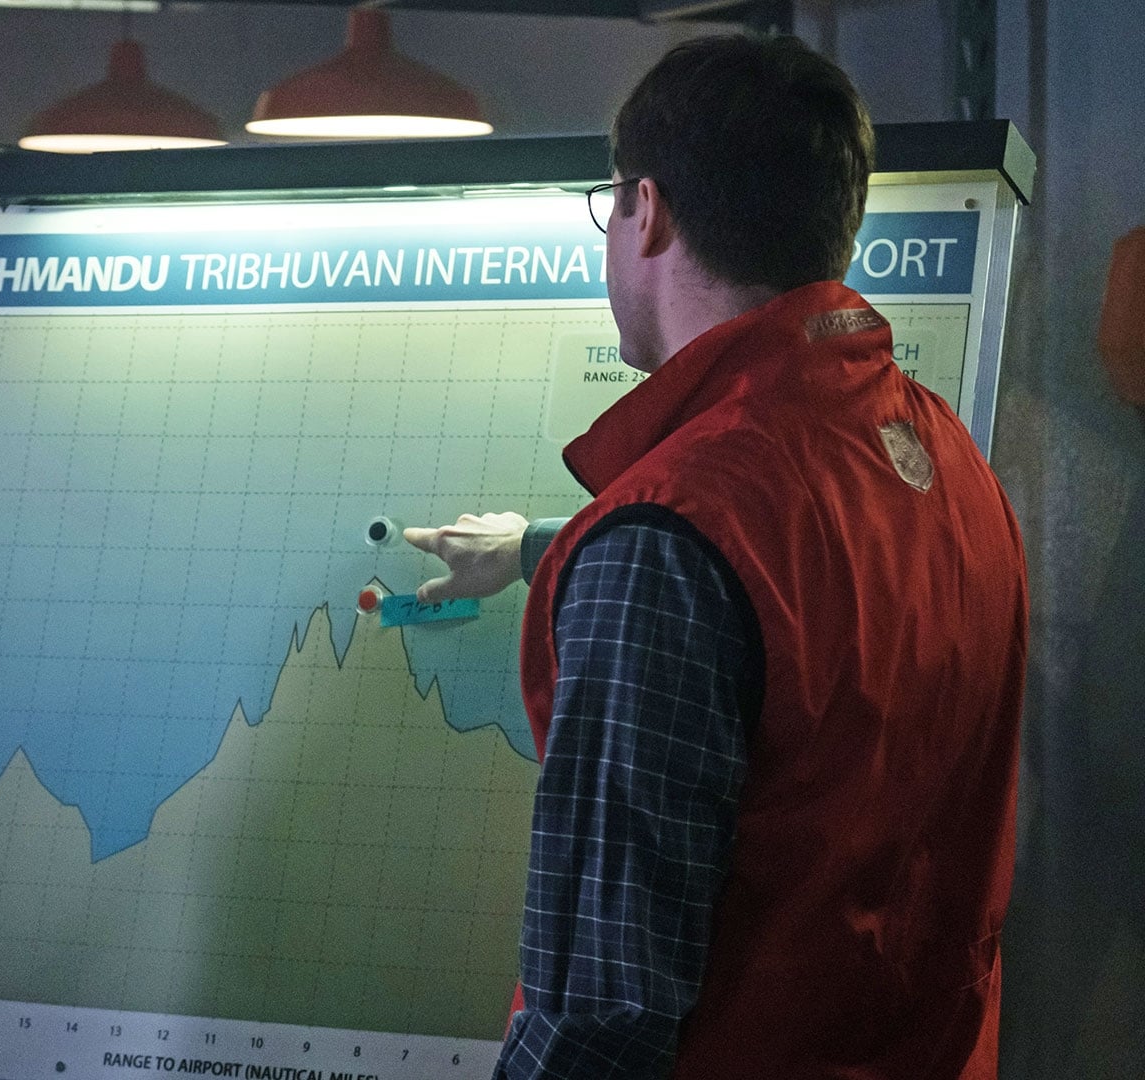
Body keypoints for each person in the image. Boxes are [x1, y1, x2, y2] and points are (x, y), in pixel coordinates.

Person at [405, 35, 1026, 1080]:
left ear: (647, 211)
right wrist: (540, 549)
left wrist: (613, 549)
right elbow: (804, 612)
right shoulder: (946, 461)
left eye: (610, 209)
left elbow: (600, 1023)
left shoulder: (665, 539)